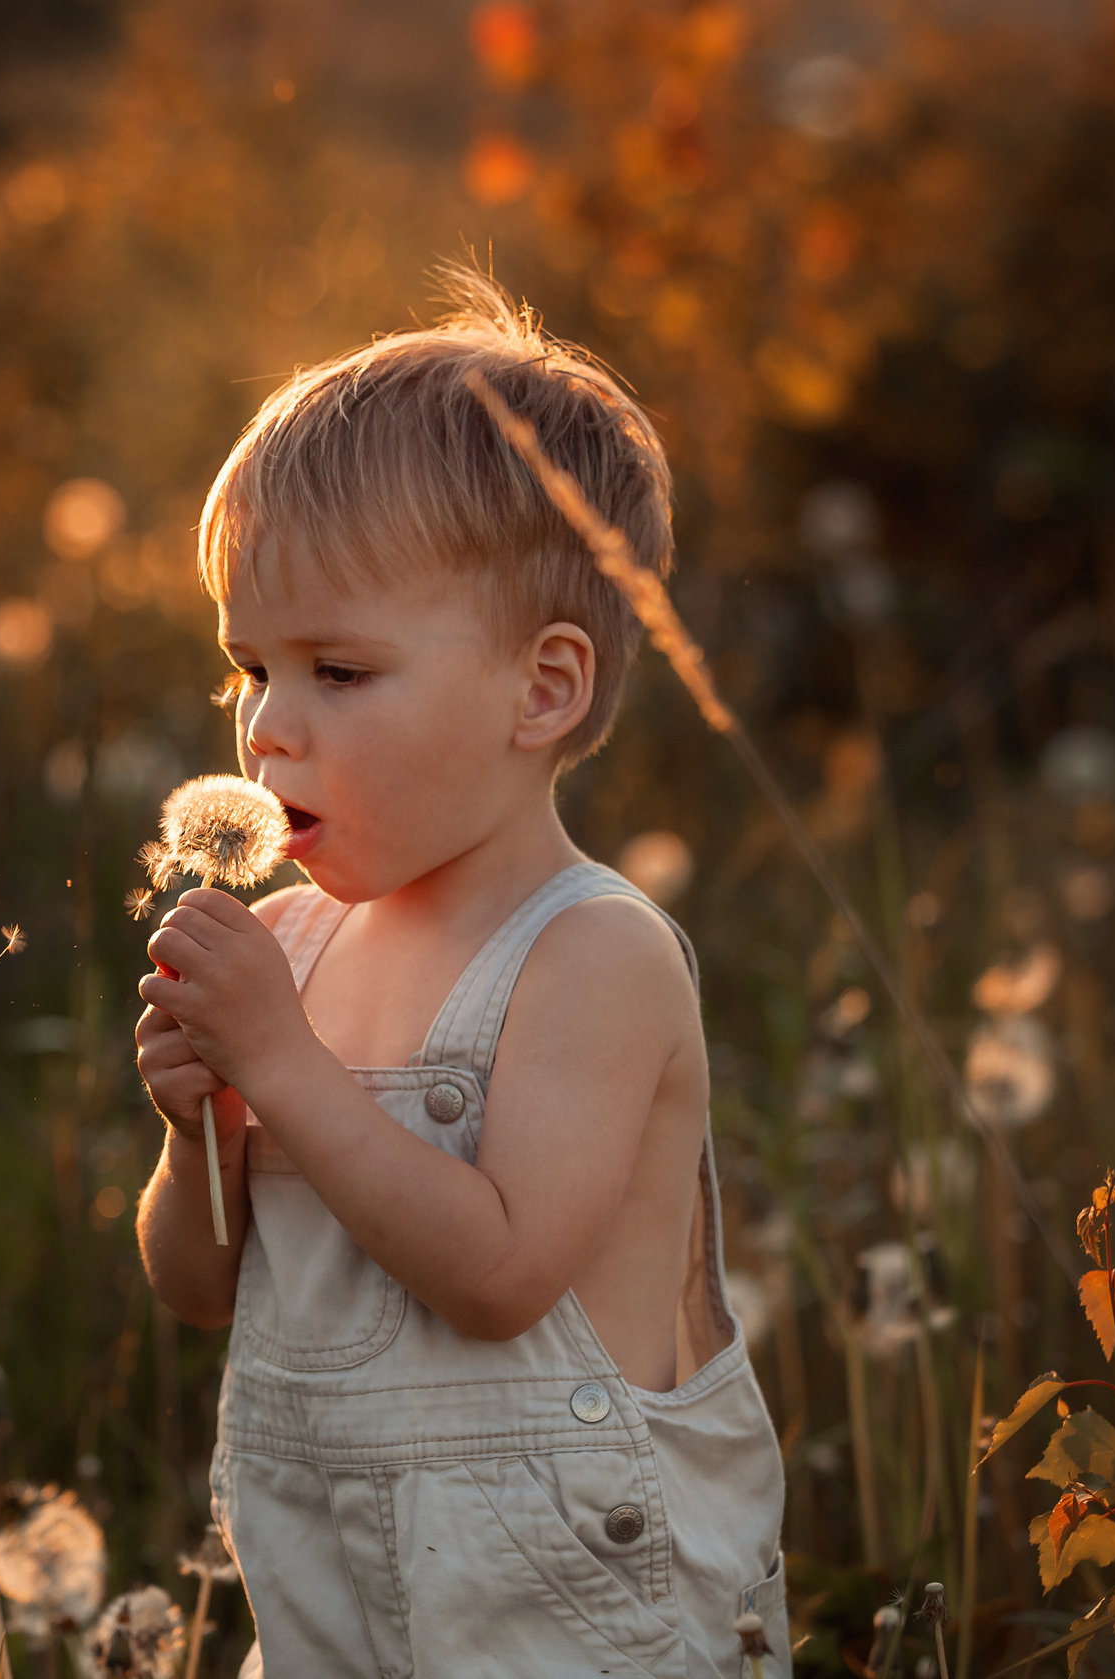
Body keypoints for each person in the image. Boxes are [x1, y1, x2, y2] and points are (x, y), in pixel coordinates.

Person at [133, 267, 787, 1678]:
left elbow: (496, 1277)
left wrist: (284, 1067)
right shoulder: (292, 950)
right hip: (328, 1613)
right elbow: (198, 1287)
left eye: (339, 672)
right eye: (250, 668)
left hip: (571, 1622)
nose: (268, 727)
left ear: (541, 690)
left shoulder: (593, 954)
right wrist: (201, 1129)